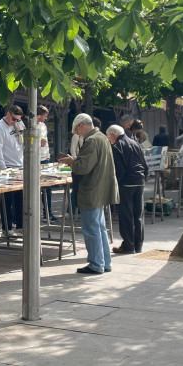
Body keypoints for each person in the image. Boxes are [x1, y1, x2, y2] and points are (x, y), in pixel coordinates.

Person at [58, 114, 118, 274]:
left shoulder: (91, 140)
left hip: (92, 189)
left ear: (82, 125)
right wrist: (76, 159)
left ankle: (96, 264)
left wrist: (72, 162)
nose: (78, 134)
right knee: (99, 228)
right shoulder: (102, 137)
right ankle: (104, 263)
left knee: (91, 229)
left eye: (77, 130)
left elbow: (83, 168)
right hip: (101, 188)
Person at [108, 123, 147, 254]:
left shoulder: (117, 146)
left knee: (126, 215)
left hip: (126, 183)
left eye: (109, 138)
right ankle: (138, 245)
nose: (109, 140)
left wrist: (116, 183)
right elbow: (144, 163)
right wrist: (143, 177)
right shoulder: (136, 143)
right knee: (138, 215)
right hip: (139, 181)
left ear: (113, 135)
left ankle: (128, 245)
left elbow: (119, 169)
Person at [0, 104, 25, 237]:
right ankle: (7, 228)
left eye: (18, 120)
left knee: (20, 198)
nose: (15, 122)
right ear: (8, 114)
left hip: (20, 165)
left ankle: (20, 225)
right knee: (7, 199)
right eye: (14, 119)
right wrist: (3, 170)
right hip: (8, 167)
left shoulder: (19, 124)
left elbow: (23, 143)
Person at [36, 106, 57, 222]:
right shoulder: (30, 126)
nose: (46, 118)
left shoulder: (43, 126)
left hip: (44, 158)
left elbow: (46, 141)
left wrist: (48, 154)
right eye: (45, 115)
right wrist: (39, 143)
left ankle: (48, 212)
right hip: (35, 159)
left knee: (47, 188)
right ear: (39, 115)